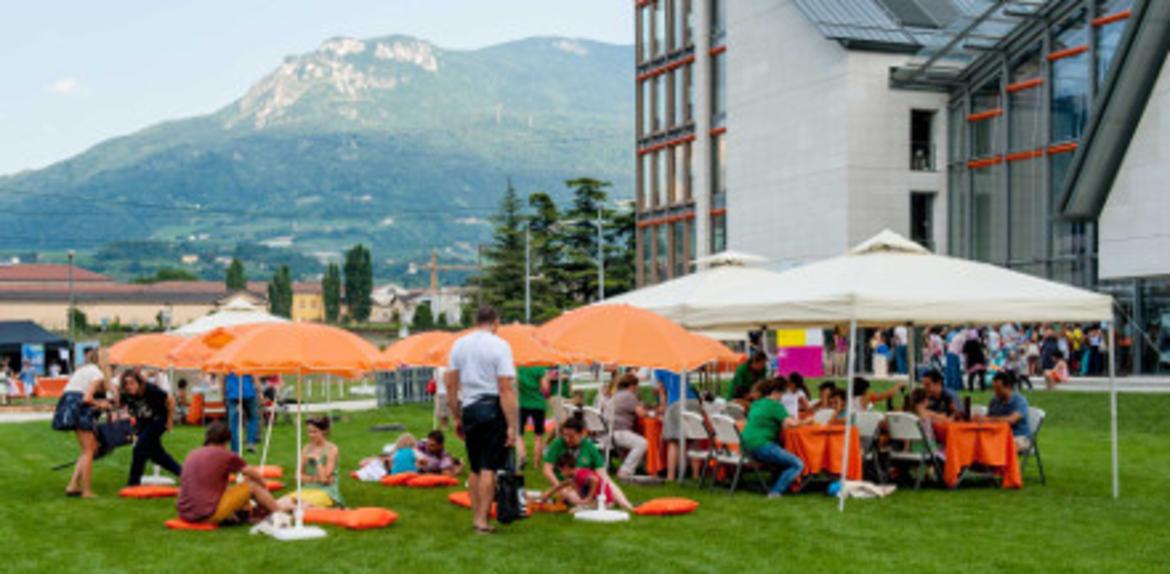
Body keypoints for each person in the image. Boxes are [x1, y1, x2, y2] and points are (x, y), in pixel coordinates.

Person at [445, 305, 518, 534]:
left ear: (476, 321)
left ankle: (476, 515)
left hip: (469, 407)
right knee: (489, 467)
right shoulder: (500, 346)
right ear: (496, 322)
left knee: (475, 467)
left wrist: (456, 415)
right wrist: (512, 425)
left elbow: (450, 385)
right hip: (491, 407)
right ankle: (482, 521)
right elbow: (505, 388)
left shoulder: (459, 344)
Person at [177, 421, 292, 525]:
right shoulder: (225, 455)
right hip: (206, 515)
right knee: (252, 486)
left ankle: (250, 513)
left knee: (237, 489)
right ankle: (280, 513)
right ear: (227, 440)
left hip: (185, 513)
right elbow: (252, 473)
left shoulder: (192, 453)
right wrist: (263, 486)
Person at [51, 348, 113, 498]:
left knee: (90, 448)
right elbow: (87, 398)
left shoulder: (84, 370)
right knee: (89, 451)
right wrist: (101, 405)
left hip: (70, 405)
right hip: (79, 408)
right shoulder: (97, 374)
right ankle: (86, 491)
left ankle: (73, 485)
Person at [740, 379, 808, 498]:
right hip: (762, 445)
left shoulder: (757, 403)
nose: (782, 397)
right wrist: (806, 422)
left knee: (779, 454)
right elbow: (791, 423)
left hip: (745, 446)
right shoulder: (775, 405)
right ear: (776, 392)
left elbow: (781, 422)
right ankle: (776, 491)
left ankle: (775, 482)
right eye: (783, 394)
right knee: (797, 464)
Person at [120, 369, 182, 486]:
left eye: (132, 383)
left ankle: (133, 483)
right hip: (143, 423)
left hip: (158, 421)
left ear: (139, 382)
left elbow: (171, 400)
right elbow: (120, 405)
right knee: (157, 455)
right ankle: (185, 474)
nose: (129, 386)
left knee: (139, 448)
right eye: (126, 384)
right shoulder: (126, 394)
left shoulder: (150, 389)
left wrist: (170, 421)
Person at [281, 417, 343, 508]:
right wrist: (315, 479)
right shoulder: (306, 448)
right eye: (309, 432)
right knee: (278, 504)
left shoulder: (332, 449)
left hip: (326, 491)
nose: (311, 435)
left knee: (301, 508)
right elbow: (297, 476)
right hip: (307, 488)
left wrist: (318, 460)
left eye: (314, 432)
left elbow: (324, 479)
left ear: (324, 431)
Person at [544, 453, 635, 511]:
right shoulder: (576, 475)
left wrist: (588, 498)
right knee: (571, 491)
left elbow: (594, 480)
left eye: (561, 471)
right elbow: (563, 484)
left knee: (574, 511)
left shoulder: (580, 474)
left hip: (602, 503)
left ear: (566, 468)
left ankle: (590, 504)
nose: (561, 473)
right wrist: (548, 493)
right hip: (600, 501)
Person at [656, 368, 701, 481]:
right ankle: (696, 475)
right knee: (694, 439)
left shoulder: (659, 367)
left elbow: (661, 390)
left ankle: (671, 476)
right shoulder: (683, 363)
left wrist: (663, 407)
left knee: (673, 441)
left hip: (675, 402)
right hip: (693, 401)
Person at [609, 373, 648, 480]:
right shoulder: (629, 396)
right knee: (642, 443)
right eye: (636, 386)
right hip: (618, 431)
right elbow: (641, 414)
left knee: (637, 439)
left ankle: (639, 466)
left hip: (608, 431)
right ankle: (625, 471)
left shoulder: (616, 394)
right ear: (632, 386)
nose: (637, 388)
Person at [980, 372, 1031, 450]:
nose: (995, 392)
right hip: (999, 435)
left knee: (996, 447)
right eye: (994, 389)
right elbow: (987, 419)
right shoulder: (994, 401)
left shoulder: (1020, 401)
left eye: (998, 389)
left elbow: (1011, 420)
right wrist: (980, 420)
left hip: (1019, 437)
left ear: (1008, 387)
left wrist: (988, 419)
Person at [516, 365, 554, 468]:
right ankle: (536, 464)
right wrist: (547, 380)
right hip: (538, 404)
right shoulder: (539, 368)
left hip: (522, 404)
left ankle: (522, 456)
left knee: (519, 433)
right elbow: (546, 389)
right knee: (538, 436)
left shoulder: (519, 368)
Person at [221, 372, 260, 453]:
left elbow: (223, 380)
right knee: (252, 418)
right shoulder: (248, 364)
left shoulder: (227, 366)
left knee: (233, 424)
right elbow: (255, 378)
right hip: (248, 393)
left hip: (232, 395)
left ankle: (235, 448)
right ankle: (250, 442)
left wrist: (224, 395)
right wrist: (258, 391)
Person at [433, 366, 451, 431]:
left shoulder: (443, 369)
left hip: (443, 393)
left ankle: (444, 427)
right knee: (441, 413)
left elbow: (447, 382)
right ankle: (444, 426)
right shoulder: (438, 369)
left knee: (443, 413)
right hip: (440, 393)